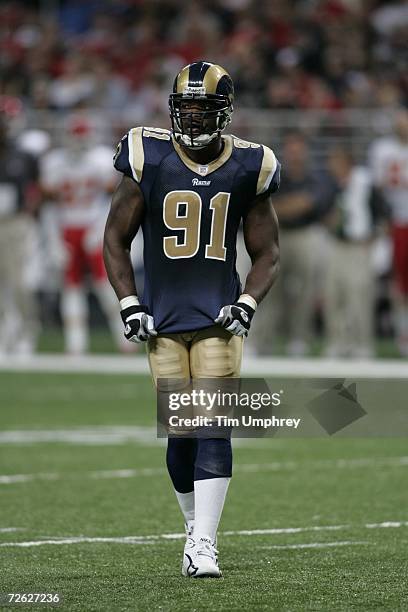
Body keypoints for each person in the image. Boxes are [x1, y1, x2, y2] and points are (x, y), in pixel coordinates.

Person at [103, 61, 280, 577]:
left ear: (224, 112)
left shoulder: (251, 164)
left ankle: (205, 542)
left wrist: (248, 301)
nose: (195, 120)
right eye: (188, 109)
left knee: (213, 426)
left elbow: (267, 251)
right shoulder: (148, 155)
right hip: (162, 318)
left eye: (205, 110)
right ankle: (192, 527)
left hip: (220, 317)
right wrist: (129, 302)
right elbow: (115, 237)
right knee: (181, 433)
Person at [40, 115, 127, 354]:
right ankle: (75, 343)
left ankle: (124, 338)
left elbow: (114, 199)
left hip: (93, 226)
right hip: (66, 229)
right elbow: (48, 205)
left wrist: (100, 229)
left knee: (106, 286)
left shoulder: (100, 159)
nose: (78, 142)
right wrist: (54, 240)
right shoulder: (54, 162)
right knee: (71, 288)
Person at [252, 131, 334, 356]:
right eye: (291, 149)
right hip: (276, 234)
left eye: (299, 149)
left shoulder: (314, 176)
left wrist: (285, 207)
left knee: (304, 291)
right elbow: (265, 205)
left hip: (305, 234)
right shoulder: (276, 173)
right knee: (266, 289)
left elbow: (308, 203)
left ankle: (300, 339)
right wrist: (292, 205)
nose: (295, 154)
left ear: (306, 152)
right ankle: (262, 341)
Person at [323, 147, 387, 358]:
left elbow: (383, 212)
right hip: (337, 245)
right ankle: (338, 343)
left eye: (336, 162)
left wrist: (375, 236)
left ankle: (362, 344)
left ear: (347, 163)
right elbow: (323, 212)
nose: (332, 166)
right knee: (334, 296)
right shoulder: (332, 185)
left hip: (358, 247)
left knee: (359, 297)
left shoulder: (365, 182)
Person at [0, 115, 40, 355]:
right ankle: (6, 331)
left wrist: (29, 215)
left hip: (16, 222)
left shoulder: (22, 155)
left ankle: (27, 330)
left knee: (20, 283)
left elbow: (36, 187)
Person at [369, 109, 408, 356]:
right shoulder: (382, 149)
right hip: (397, 221)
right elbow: (377, 190)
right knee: (399, 282)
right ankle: (403, 332)